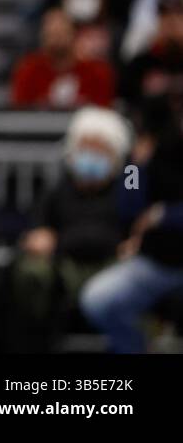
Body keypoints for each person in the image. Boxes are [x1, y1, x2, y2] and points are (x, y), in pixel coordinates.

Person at [3, 107, 129, 351]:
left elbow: (122, 235)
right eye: (85, 148)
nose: (91, 156)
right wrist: (38, 238)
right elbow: (36, 230)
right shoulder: (58, 190)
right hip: (63, 268)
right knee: (29, 271)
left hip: (111, 266)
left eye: (99, 150)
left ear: (115, 156)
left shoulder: (128, 192)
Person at [80, 97, 183, 352]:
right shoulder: (143, 162)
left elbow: (156, 215)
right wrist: (137, 167)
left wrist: (163, 215)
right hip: (155, 263)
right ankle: (138, 346)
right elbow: (128, 209)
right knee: (97, 299)